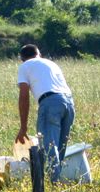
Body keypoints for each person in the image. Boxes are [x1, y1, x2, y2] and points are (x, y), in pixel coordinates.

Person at [15, 44, 75, 182]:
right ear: (39, 54)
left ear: (22, 59)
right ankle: (58, 179)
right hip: (69, 103)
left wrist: (23, 127)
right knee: (60, 147)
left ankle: (52, 183)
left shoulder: (25, 66)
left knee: (49, 145)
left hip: (50, 103)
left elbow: (24, 96)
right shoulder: (51, 63)